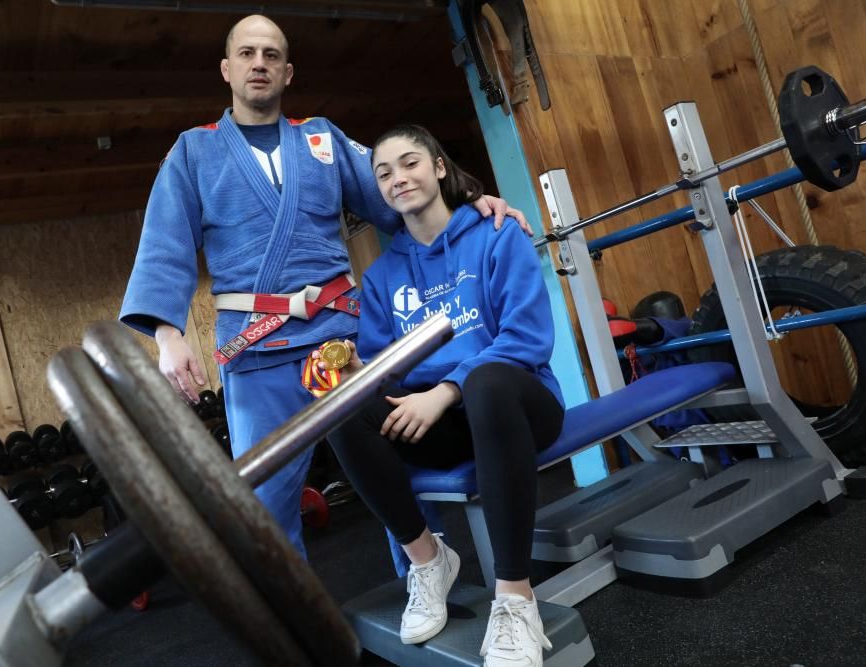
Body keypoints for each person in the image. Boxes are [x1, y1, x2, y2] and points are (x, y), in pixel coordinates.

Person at [119, 14, 531, 558]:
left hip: (344, 345)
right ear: (226, 68)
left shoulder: (323, 138)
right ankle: (297, 636)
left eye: (271, 55)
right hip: (256, 349)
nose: (259, 64)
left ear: (288, 72)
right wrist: (168, 336)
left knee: (397, 469)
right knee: (264, 507)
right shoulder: (193, 151)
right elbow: (164, 244)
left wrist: (469, 207)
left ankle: (429, 584)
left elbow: (400, 197)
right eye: (247, 54)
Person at [325, 125, 563, 666]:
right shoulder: (383, 277)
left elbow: (525, 339)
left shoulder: (497, 232)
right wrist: (364, 373)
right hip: (445, 421)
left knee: (485, 382)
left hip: (519, 403)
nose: (397, 178)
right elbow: (389, 370)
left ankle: (515, 597)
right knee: (341, 408)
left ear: (437, 167)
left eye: (409, 163)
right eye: (383, 173)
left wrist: (447, 389)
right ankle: (428, 559)